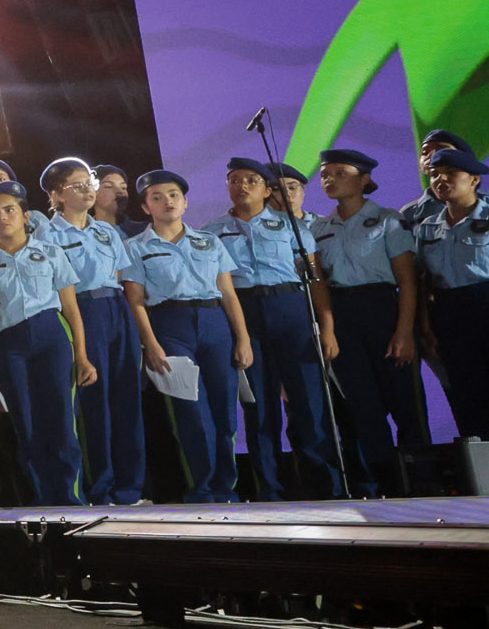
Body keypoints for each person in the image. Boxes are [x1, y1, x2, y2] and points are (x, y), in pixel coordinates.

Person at [204, 158, 343, 499]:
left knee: (309, 402)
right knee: (259, 407)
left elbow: (315, 280)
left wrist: (327, 328)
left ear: (267, 189)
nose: (242, 185)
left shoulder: (292, 227)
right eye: (234, 179)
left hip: (290, 309)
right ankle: (271, 489)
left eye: (251, 179)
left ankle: (326, 486)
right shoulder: (211, 233)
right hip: (243, 313)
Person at [122, 169, 253, 504]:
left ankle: (227, 489)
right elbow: (135, 300)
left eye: (173, 195)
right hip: (169, 326)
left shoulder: (208, 241)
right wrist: (150, 344)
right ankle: (203, 489)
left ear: (185, 201)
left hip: (214, 323)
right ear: (145, 207)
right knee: (191, 415)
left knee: (225, 412)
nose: (167, 201)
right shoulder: (135, 248)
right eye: (157, 197)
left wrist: (243, 339)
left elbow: (228, 294)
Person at [310, 147, 427, 496]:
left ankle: (420, 483)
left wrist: (404, 331)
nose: (328, 178)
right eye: (324, 174)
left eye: (339, 172)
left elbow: (407, 279)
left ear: (364, 179)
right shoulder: (319, 228)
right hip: (342, 314)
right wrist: (328, 329)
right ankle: (384, 486)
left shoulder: (388, 219)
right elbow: (318, 282)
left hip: (383, 310)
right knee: (363, 408)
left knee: (406, 403)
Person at [0, 181, 95, 505]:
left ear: (25, 215)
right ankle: (44, 502)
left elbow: (71, 308)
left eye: (9, 210)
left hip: (51, 338)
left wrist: (82, 356)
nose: (1, 218)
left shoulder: (50, 252)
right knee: (26, 425)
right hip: (8, 343)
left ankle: (71, 501)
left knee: (61, 422)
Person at [40, 159, 146, 504]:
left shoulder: (106, 230)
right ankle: (100, 490)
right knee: (93, 404)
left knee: (128, 399)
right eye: (77, 185)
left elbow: (121, 276)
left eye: (90, 182)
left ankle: (130, 489)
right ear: (57, 194)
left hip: (116, 308)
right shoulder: (47, 235)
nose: (88, 189)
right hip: (81, 311)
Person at [412, 145, 489, 441]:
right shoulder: (428, 228)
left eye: (451, 174)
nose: (441, 180)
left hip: (484, 301)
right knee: (467, 391)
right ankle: (483, 470)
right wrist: (425, 324)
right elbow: (422, 280)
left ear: (474, 179)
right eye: (435, 174)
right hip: (450, 313)